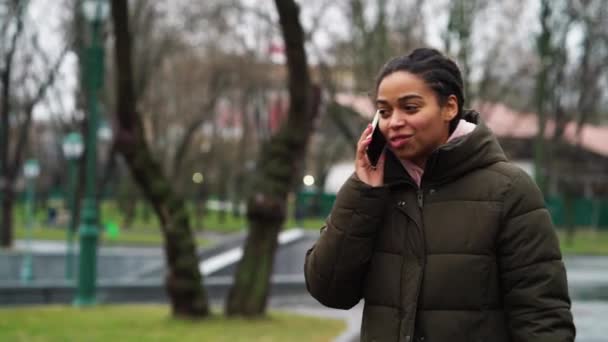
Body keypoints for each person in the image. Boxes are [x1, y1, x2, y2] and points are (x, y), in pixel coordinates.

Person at [304, 48, 575, 341]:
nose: (394, 121)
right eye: (384, 111)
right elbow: (329, 291)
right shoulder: (372, 193)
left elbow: (543, 320)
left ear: (449, 107)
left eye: (410, 108)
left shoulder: (509, 191)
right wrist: (362, 192)